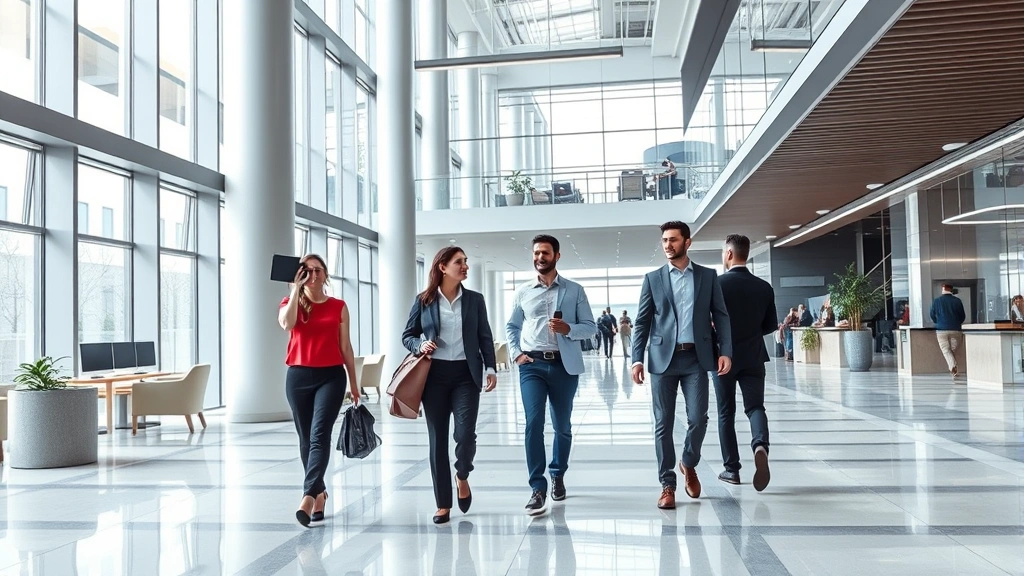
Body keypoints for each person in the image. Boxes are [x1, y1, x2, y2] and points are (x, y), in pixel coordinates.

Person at [631, 221, 732, 510]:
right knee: (662, 424)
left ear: (687, 242)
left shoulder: (707, 276)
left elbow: (721, 316)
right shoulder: (653, 278)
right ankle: (667, 484)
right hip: (662, 359)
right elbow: (642, 321)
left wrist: (725, 351)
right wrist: (637, 358)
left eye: (673, 240)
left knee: (699, 418)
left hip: (696, 359)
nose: (667, 245)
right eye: (664, 240)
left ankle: (688, 461)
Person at [402, 247, 498, 525]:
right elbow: (407, 335)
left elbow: (484, 336)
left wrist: (490, 367)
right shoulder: (424, 300)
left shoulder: (474, 300)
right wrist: (420, 344)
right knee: (437, 440)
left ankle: (462, 474)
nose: (465, 266)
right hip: (434, 376)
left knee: (465, 434)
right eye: (459, 262)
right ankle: (443, 503)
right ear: (443, 267)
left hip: (466, 375)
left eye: (466, 261)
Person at [507, 234, 597, 515]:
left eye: (545, 253)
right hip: (532, 365)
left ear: (557, 256)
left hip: (563, 366)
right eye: (536, 253)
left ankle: (557, 473)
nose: (539, 258)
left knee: (562, 426)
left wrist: (568, 329)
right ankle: (537, 487)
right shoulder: (523, 291)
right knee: (533, 423)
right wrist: (516, 353)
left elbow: (590, 327)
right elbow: (512, 327)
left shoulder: (574, 290)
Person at [278, 254, 360, 527]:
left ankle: (307, 497)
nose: (313, 275)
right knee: (305, 439)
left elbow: (346, 347)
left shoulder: (339, 306)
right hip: (298, 376)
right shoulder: (291, 303)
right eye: (307, 271)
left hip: (331, 377)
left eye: (318, 270)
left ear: (326, 275)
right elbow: (287, 325)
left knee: (319, 435)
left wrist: (355, 383)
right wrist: (294, 289)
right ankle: (320, 492)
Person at [713, 235, 777, 491]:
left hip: (722, 359)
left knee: (725, 413)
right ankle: (760, 445)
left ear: (729, 254)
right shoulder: (763, 287)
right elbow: (771, 325)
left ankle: (732, 469)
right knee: (755, 407)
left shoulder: (716, 286)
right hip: (753, 356)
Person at [930, 284, 966, 379]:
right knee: (953, 349)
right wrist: (957, 322)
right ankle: (953, 367)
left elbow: (932, 314)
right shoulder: (957, 301)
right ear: (951, 290)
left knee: (946, 350)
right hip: (955, 329)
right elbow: (962, 316)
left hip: (941, 329)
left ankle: (952, 366)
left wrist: (938, 322)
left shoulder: (937, 301)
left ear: (943, 290)